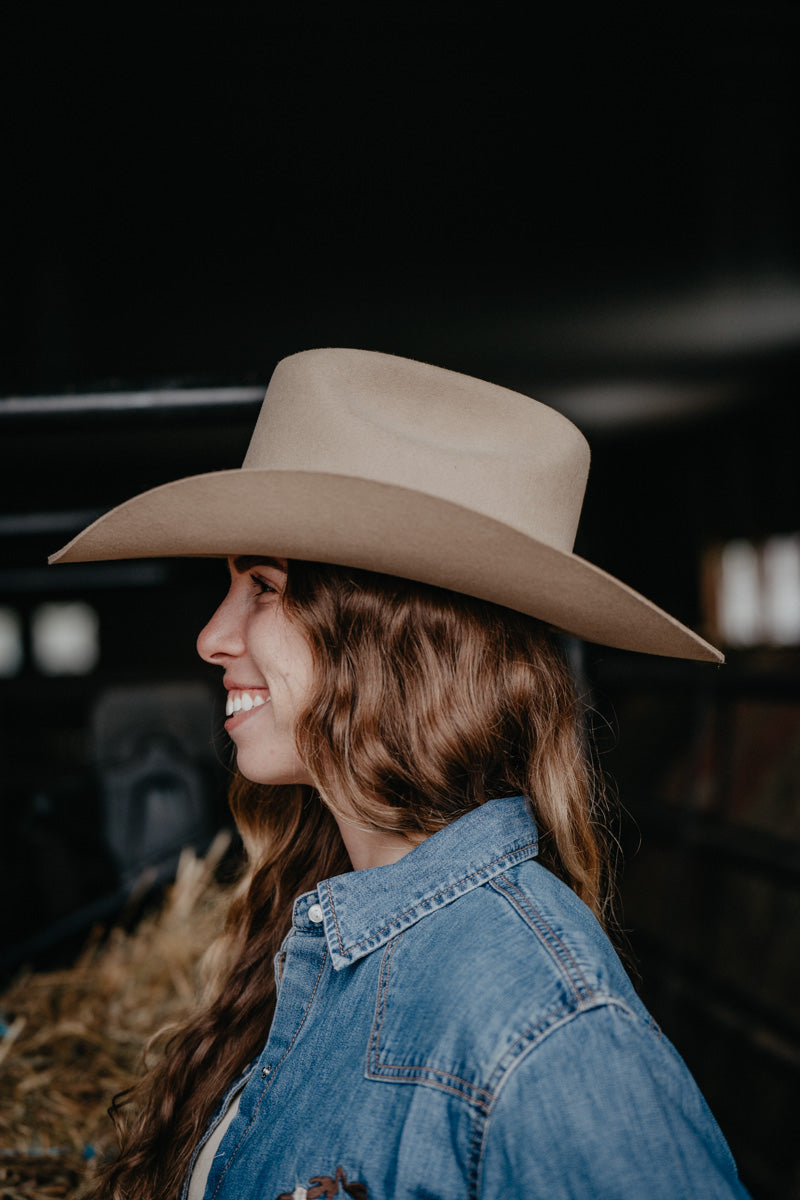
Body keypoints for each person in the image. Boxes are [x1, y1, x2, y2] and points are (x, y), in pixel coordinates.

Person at [51, 349, 750, 1199]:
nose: (211, 637)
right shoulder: (322, 915)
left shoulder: (547, 1033)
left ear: (395, 639)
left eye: (263, 586)